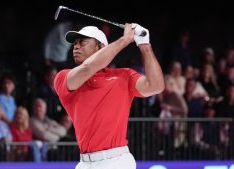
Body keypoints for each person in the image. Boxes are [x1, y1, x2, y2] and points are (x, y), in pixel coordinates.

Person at [54, 23, 164, 169]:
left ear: (100, 47)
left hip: (117, 161)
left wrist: (145, 46)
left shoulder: (124, 76)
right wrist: (125, 40)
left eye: (83, 42)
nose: (76, 46)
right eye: (75, 43)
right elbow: (88, 67)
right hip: (85, 163)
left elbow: (156, 86)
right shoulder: (63, 77)